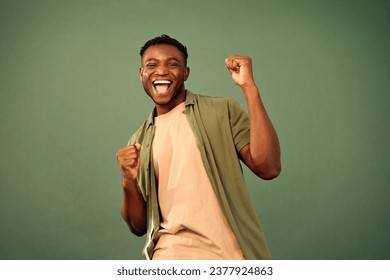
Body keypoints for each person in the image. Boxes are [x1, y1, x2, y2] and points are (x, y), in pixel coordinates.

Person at [116, 34, 281, 260]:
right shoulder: (139, 140)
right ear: (141, 74)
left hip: (228, 257)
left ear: (185, 73)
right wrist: (128, 180)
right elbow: (138, 226)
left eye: (172, 64)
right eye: (151, 65)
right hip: (168, 256)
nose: (161, 71)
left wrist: (249, 88)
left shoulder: (221, 110)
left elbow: (268, 167)